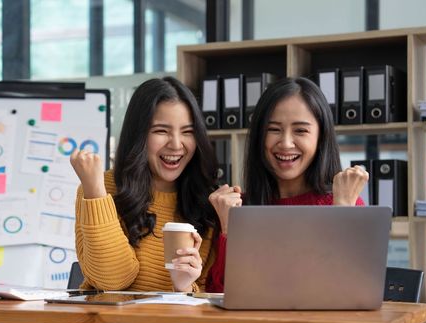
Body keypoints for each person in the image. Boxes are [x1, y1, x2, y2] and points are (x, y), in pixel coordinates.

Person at [205, 77, 368, 293]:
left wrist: (342, 211)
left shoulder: (345, 204)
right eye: (274, 129)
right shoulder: (235, 208)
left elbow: (351, 291)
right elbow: (219, 295)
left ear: (321, 137)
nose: (286, 143)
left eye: (300, 131)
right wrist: (229, 229)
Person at [70, 77, 223, 292]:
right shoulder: (100, 189)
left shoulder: (205, 202)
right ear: (139, 134)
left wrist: (184, 286)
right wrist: (95, 191)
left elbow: (208, 299)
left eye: (188, 132)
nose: (176, 145)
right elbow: (112, 281)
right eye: (161, 131)